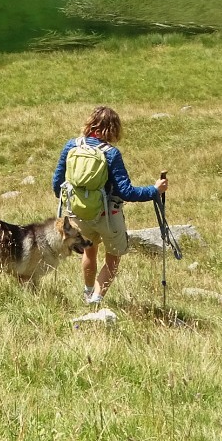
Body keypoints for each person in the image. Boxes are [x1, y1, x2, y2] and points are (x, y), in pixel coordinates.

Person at [51, 105, 168, 305]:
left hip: (77, 213)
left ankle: (88, 293)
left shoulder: (71, 146)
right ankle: (96, 300)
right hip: (107, 214)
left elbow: (57, 184)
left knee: (89, 251)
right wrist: (155, 190)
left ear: (90, 123)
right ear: (113, 129)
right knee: (113, 258)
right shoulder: (111, 154)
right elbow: (127, 192)